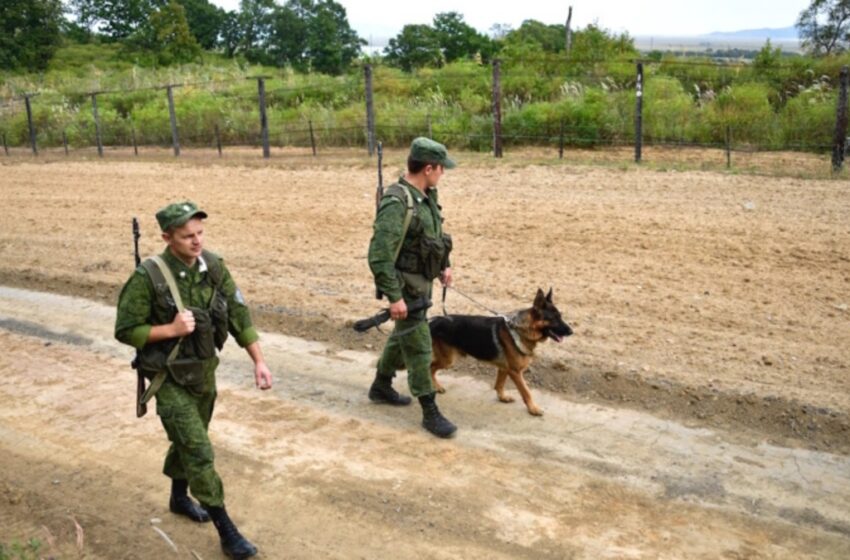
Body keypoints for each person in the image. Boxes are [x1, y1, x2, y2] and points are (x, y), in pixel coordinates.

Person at [115, 201, 272, 560]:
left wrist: (259, 361)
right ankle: (227, 530)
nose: (197, 241)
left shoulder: (213, 267)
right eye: (188, 236)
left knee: (189, 440)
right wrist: (169, 329)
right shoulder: (149, 277)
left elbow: (238, 314)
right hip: (167, 378)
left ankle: (177, 497)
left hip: (203, 373)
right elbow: (124, 330)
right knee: (199, 450)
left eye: (200, 233)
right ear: (168, 237)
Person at [367, 137, 458, 438]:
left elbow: (434, 236)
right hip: (405, 288)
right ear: (428, 168)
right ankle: (429, 410)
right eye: (441, 169)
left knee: (402, 335)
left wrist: (444, 265)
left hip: (422, 284)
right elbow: (380, 255)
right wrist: (395, 297)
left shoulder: (427, 196)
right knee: (420, 346)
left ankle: (381, 385)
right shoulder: (397, 203)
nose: (443, 174)